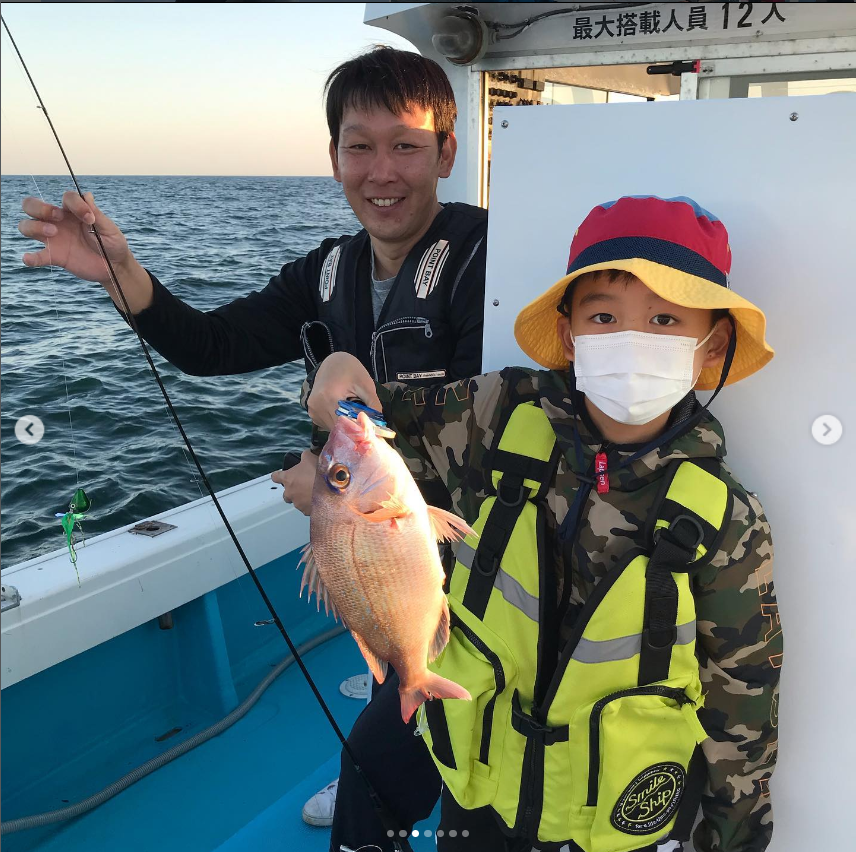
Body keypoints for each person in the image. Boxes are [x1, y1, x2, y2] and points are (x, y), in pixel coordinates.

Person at [17, 47, 486, 835]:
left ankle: (405, 767)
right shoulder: (325, 272)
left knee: (416, 774)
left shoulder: (486, 260)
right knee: (398, 710)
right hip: (390, 550)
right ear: (333, 157)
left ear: (446, 152)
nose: (382, 171)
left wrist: (332, 481)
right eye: (359, 146)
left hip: (492, 569)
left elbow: (497, 422)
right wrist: (122, 275)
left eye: (406, 145)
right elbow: (212, 346)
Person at [306, 195, 782, 852]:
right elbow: (372, 429)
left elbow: (744, 686)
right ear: (568, 334)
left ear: (712, 345)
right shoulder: (497, 412)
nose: (631, 339)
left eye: (666, 319)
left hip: (610, 806)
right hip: (481, 773)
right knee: (371, 754)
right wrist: (335, 376)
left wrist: (734, 831)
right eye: (604, 317)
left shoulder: (727, 520)